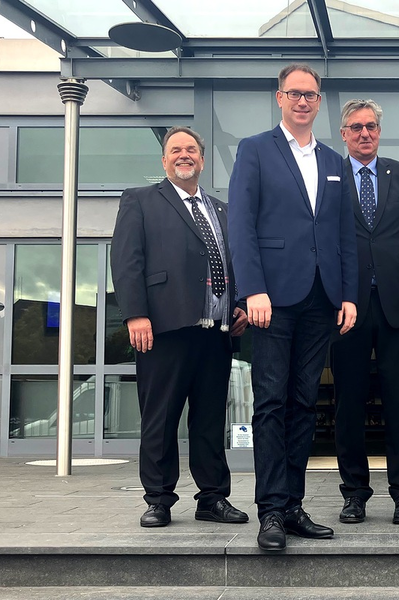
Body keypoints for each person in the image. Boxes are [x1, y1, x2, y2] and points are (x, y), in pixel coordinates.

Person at [227, 64, 358, 551]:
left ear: (319, 102)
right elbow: (241, 225)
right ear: (279, 97)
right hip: (273, 301)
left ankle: (295, 505)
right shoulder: (255, 150)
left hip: (321, 299)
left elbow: (344, 234)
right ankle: (271, 511)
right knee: (271, 403)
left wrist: (347, 295)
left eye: (311, 94)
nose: (303, 101)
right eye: (294, 93)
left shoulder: (334, 160)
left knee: (304, 403)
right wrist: (252, 289)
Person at [111, 126, 249, 528]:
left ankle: (212, 498)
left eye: (191, 150)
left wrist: (238, 305)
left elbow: (233, 261)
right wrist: (135, 313)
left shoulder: (221, 209)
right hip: (164, 328)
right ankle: (158, 499)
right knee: (161, 418)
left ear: (202, 160)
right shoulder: (140, 200)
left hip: (216, 331)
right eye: (176, 150)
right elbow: (127, 260)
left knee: (209, 421)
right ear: (164, 159)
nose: (184, 155)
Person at [331, 99, 399, 526]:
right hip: (346, 308)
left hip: (397, 304)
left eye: (370, 127)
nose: (364, 133)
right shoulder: (329, 176)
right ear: (344, 134)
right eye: (355, 128)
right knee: (347, 404)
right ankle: (354, 494)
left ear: (379, 132)